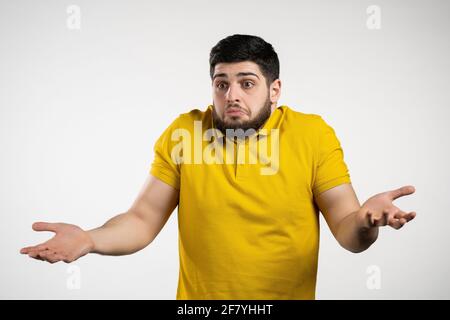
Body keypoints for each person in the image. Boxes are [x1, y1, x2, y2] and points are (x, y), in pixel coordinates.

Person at [20, 34, 417, 299]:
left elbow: (348, 231)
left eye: (247, 83)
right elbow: (142, 219)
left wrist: (366, 220)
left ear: (274, 90)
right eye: (221, 83)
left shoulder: (312, 134)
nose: (231, 95)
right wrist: (90, 239)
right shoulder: (185, 132)